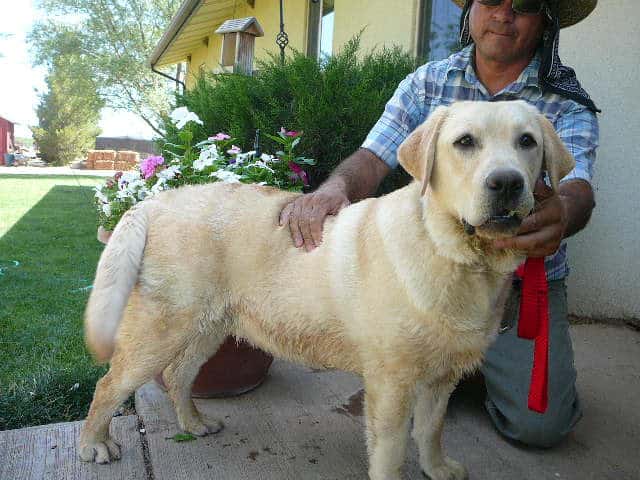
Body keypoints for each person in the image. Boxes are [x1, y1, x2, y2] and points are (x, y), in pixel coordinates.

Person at [279, 0, 599, 448]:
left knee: (540, 428)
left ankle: (471, 369)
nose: (504, 14)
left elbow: (578, 187)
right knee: (408, 360)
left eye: (524, 4)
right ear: (469, 9)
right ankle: (453, 366)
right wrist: (333, 189)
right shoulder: (427, 82)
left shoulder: (566, 102)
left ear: (546, 19)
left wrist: (562, 212)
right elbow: (373, 157)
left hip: (520, 284)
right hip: (431, 277)